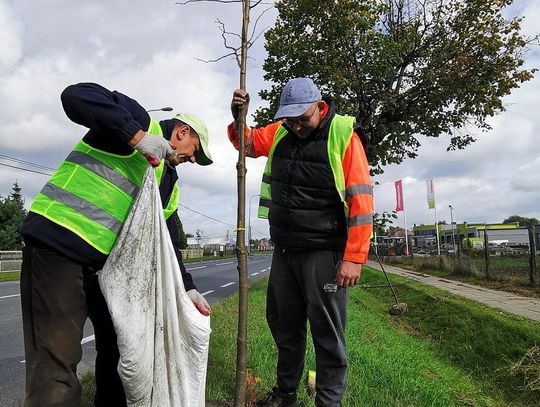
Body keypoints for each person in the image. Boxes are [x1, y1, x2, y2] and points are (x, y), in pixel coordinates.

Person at [20, 82, 213, 407]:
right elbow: (75, 96)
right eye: (196, 150)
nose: (193, 159)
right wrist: (137, 138)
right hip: (58, 247)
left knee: (125, 355)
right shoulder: (138, 121)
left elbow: (166, 242)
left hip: (107, 272)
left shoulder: (167, 181)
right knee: (56, 368)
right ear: (181, 132)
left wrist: (189, 287)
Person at [228, 78, 374, 407]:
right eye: (289, 120)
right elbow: (246, 145)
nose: (295, 127)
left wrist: (353, 257)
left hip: (325, 251)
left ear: (320, 108)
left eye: (302, 119)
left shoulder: (344, 136)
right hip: (286, 250)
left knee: (327, 332)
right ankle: (285, 393)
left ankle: (328, 402)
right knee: (285, 324)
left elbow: (362, 203)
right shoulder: (282, 131)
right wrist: (238, 117)